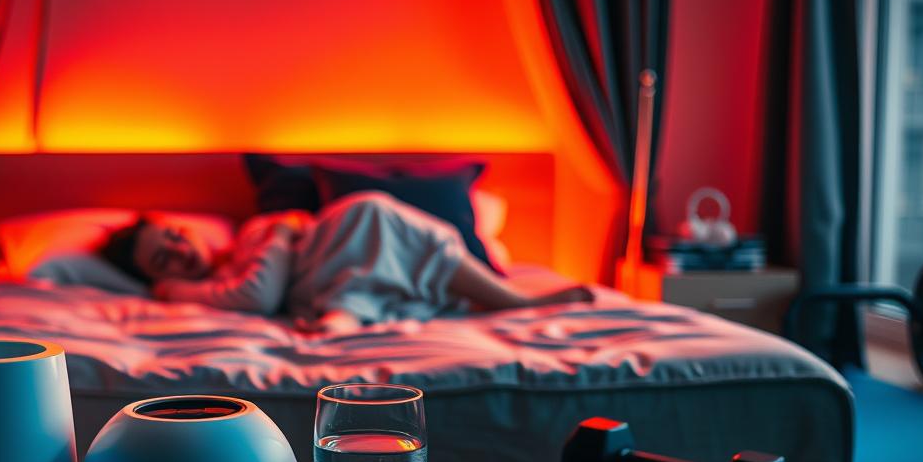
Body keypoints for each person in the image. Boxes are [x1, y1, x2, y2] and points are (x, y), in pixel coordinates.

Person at [99, 191, 592, 334]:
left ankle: (345, 313)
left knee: (368, 220)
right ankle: (509, 302)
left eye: (175, 236)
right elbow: (259, 296)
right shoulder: (174, 291)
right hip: (314, 277)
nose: (180, 250)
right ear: (154, 277)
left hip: (332, 264)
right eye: (163, 257)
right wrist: (281, 234)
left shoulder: (241, 238)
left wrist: (284, 231)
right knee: (369, 213)